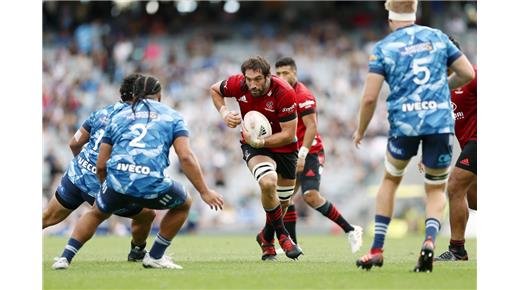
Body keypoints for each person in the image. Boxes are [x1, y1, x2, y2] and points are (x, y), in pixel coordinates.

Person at [52, 75, 224, 270]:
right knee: (184, 203)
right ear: (159, 95)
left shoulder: (118, 116)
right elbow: (185, 157)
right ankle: (155, 255)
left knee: (97, 213)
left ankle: (64, 258)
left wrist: (105, 185)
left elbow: (101, 162)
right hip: (150, 182)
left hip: (117, 180)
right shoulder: (172, 116)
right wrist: (204, 191)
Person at [352, 0, 475, 272]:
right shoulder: (437, 37)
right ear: (415, 12)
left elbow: (370, 97)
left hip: (404, 124)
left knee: (389, 181)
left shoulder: (384, 48)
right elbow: (466, 72)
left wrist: (360, 129)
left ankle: (376, 250)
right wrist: (442, 88)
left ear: (390, 16)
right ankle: (430, 242)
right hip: (439, 124)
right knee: (437, 189)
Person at [43, 73, 156, 262]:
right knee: (147, 214)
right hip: (102, 182)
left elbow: (74, 144)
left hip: (76, 176)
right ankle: (137, 251)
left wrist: (84, 166)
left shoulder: (101, 112)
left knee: (48, 217)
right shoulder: (136, 121)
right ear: (138, 97)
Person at [209, 56, 302, 260]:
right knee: (268, 183)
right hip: (253, 145)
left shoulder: (284, 92)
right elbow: (215, 89)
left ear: (268, 76)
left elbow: (288, 134)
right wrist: (224, 112)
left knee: (284, 202)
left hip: (284, 147)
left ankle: (265, 238)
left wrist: (261, 142)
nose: (252, 84)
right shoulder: (239, 84)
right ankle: (283, 237)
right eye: (249, 79)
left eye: (258, 79)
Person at [274, 57, 363, 254]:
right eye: (278, 73)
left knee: (311, 196)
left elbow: (312, 127)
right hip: (291, 153)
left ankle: (351, 230)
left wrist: (303, 155)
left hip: (310, 152)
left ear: (295, 73)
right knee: (285, 199)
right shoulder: (278, 94)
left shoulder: (303, 95)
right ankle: (293, 244)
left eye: (285, 73)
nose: (281, 77)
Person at [434, 36, 477, 261]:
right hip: (468, 145)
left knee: (455, 185)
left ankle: (457, 250)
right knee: (475, 199)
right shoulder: (443, 87)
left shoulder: (474, 74)